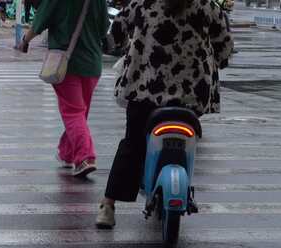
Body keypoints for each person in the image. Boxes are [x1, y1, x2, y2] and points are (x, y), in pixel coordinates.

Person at [95, 0, 233, 228]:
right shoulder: (207, 6)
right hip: (191, 97)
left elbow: (116, 32)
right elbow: (225, 45)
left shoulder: (141, 3)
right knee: (189, 140)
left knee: (132, 144)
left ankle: (108, 206)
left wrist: (111, 44)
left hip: (144, 92)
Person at [18, 0, 109, 178]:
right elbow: (104, 26)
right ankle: (67, 154)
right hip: (92, 63)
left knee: (73, 112)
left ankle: (85, 158)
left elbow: (39, 22)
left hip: (65, 63)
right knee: (80, 114)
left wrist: (24, 41)